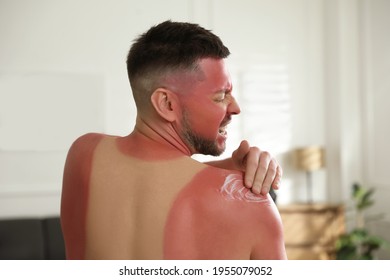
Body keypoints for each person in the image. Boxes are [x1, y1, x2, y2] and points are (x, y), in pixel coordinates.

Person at [61, 20, 287, 260]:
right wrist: (233, 177)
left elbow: (149, 179)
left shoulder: (85, 154)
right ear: (167, 104)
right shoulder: (249, 204)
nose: (236, 108)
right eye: (221, 96)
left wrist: (230, 166)